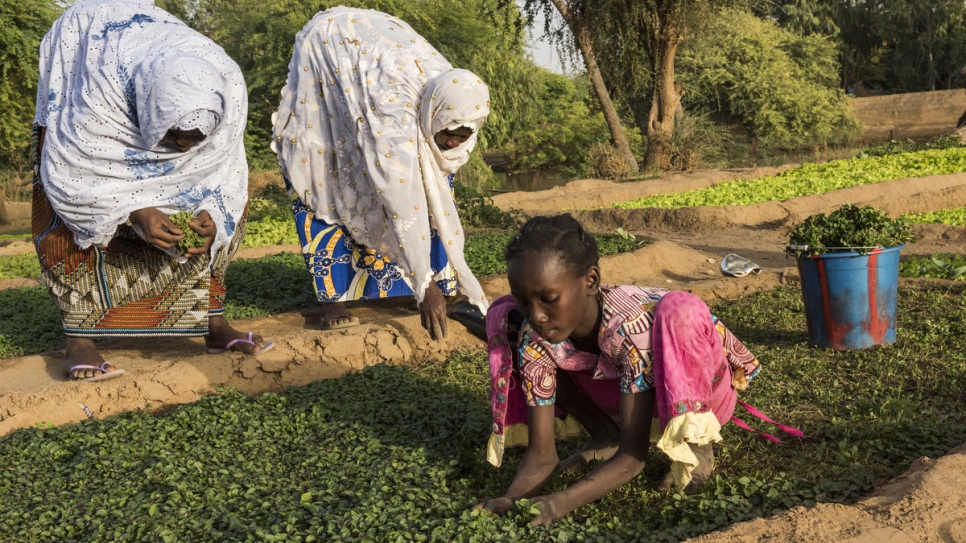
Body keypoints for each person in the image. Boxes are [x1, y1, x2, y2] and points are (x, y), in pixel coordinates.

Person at [475, 214, 799, 526]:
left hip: (700, 384)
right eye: (524, 301)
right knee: (512, 323)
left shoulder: (631, 326)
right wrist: (511, 499)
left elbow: (633, 457)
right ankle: (604, 436)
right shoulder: (536, 335)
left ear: (590, 281)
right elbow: (542, 455)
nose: (537, 315)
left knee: (679, 312)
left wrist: (559, 503)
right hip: (621, 386)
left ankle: (695, 445)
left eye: (548, 298)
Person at [33, 0, 273, 382]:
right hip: (92, 120)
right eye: (175, 133)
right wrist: (134, 210)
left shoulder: (226, 86)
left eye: (196, 137)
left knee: (231, 203)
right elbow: (74, 172)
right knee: (63, 213)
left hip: (158, 78)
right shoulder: (98, 92)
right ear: (151, 110)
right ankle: (79, 339)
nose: (183, 146)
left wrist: (215, 210)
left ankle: (211, 323)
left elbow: (225, 168)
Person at [272, 6, 491, 338]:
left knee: (433, 190)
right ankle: (336, 303)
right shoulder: (395, 114)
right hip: (329, 59)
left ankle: (434, 284)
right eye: (449, 134)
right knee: (330, 187)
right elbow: (400, 197)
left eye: (463, 136)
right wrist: (422, 283)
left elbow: (426, 193)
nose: (452, 143)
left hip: (375, 65)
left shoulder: (456, 94)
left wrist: (426, 280)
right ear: (435, 113)